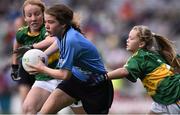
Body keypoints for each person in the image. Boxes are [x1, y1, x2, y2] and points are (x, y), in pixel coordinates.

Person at [27, 4, 114, 114]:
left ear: (63, 24)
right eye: (46, 21)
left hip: (96, 86)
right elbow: (57, 44)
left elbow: (64, 75)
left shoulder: (71, 40)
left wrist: (42, 68)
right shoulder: (61, 34)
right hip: (74, 81)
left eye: (51, 22)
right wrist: (42, 56)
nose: (47, 26)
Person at [12, 0, 84, 114]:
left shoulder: (49, 29)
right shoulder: (22, 33)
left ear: (44, 15)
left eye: (37, 14)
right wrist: (14, 66)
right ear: (24, 18)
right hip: (44, 77)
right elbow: (16, 45)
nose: (34, 18)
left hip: (66, 77)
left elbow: (54, 39)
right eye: (29, 15)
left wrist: (33, 47)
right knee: (27, 109)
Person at [107, 25, 180, 114]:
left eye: (131, 38)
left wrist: (103, 77)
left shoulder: (139, 57)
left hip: (172, 95)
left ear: (141, 44)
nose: (127, 40)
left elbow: (123, 72)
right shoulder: (153, 54)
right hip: (162, 98)